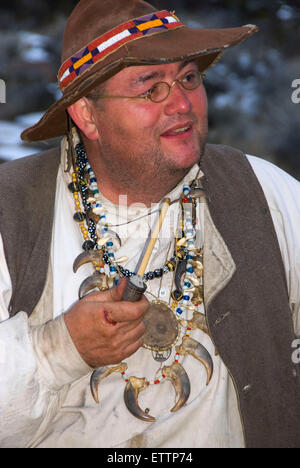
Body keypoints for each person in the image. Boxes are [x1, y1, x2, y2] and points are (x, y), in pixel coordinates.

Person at [0, 0, 299, 449]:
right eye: (149, 88)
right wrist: (59, 351)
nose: (181, 103)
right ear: (87, 115)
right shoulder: (11, 210)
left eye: (189, 78)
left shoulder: (264, 193)